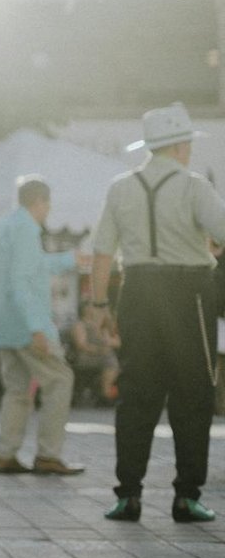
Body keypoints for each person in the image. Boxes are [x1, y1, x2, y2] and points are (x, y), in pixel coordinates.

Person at [88, 103, 225, 523]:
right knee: (193, 395)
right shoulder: (195, 186)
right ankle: (186, 496)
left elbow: (102, 252)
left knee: (137, 396)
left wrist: (98, 306)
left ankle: (128, 494)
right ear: (182, 146)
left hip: (138, 291)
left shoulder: (120, 187)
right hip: (190, 294)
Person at [0, 176, 85, 477]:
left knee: (16, 389)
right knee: (60, 380)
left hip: (4, 323)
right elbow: (22, 282)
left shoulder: (0, 227)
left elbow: (30, 267)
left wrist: (68, 259)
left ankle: (6, 454)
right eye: (48, 204)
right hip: (28, 324)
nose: (48, 211)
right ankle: (48, 454)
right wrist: (37, 328)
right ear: (39, 201)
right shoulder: (28, 229)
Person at [67, 299, 120, 405]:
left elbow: (115, 342)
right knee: (110, 361)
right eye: (92, 306)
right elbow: (81, 345)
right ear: (85, 309)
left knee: (111, 358)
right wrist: (99, 350)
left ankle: (107, 392)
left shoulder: (101, 325)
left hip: (103, 356)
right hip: (87, 356)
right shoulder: (80, 325)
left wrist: (107, 339)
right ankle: (106, 392)